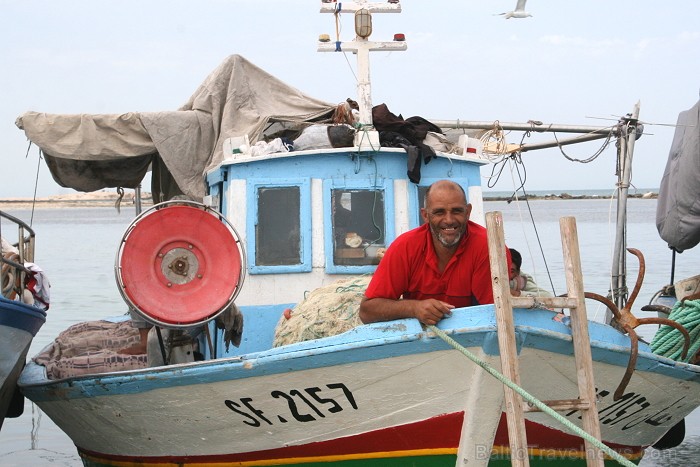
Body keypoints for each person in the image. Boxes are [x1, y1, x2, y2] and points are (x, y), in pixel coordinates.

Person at [359, 180, 509, 326]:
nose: (449, 220)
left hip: (476, 337)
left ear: (468, 212)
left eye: (457, 211)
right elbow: (367, 311)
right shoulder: (405, 247)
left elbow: (500, 314)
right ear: (425, 215)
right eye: (439, 212)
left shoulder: (490, 246)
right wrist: (414, 308)